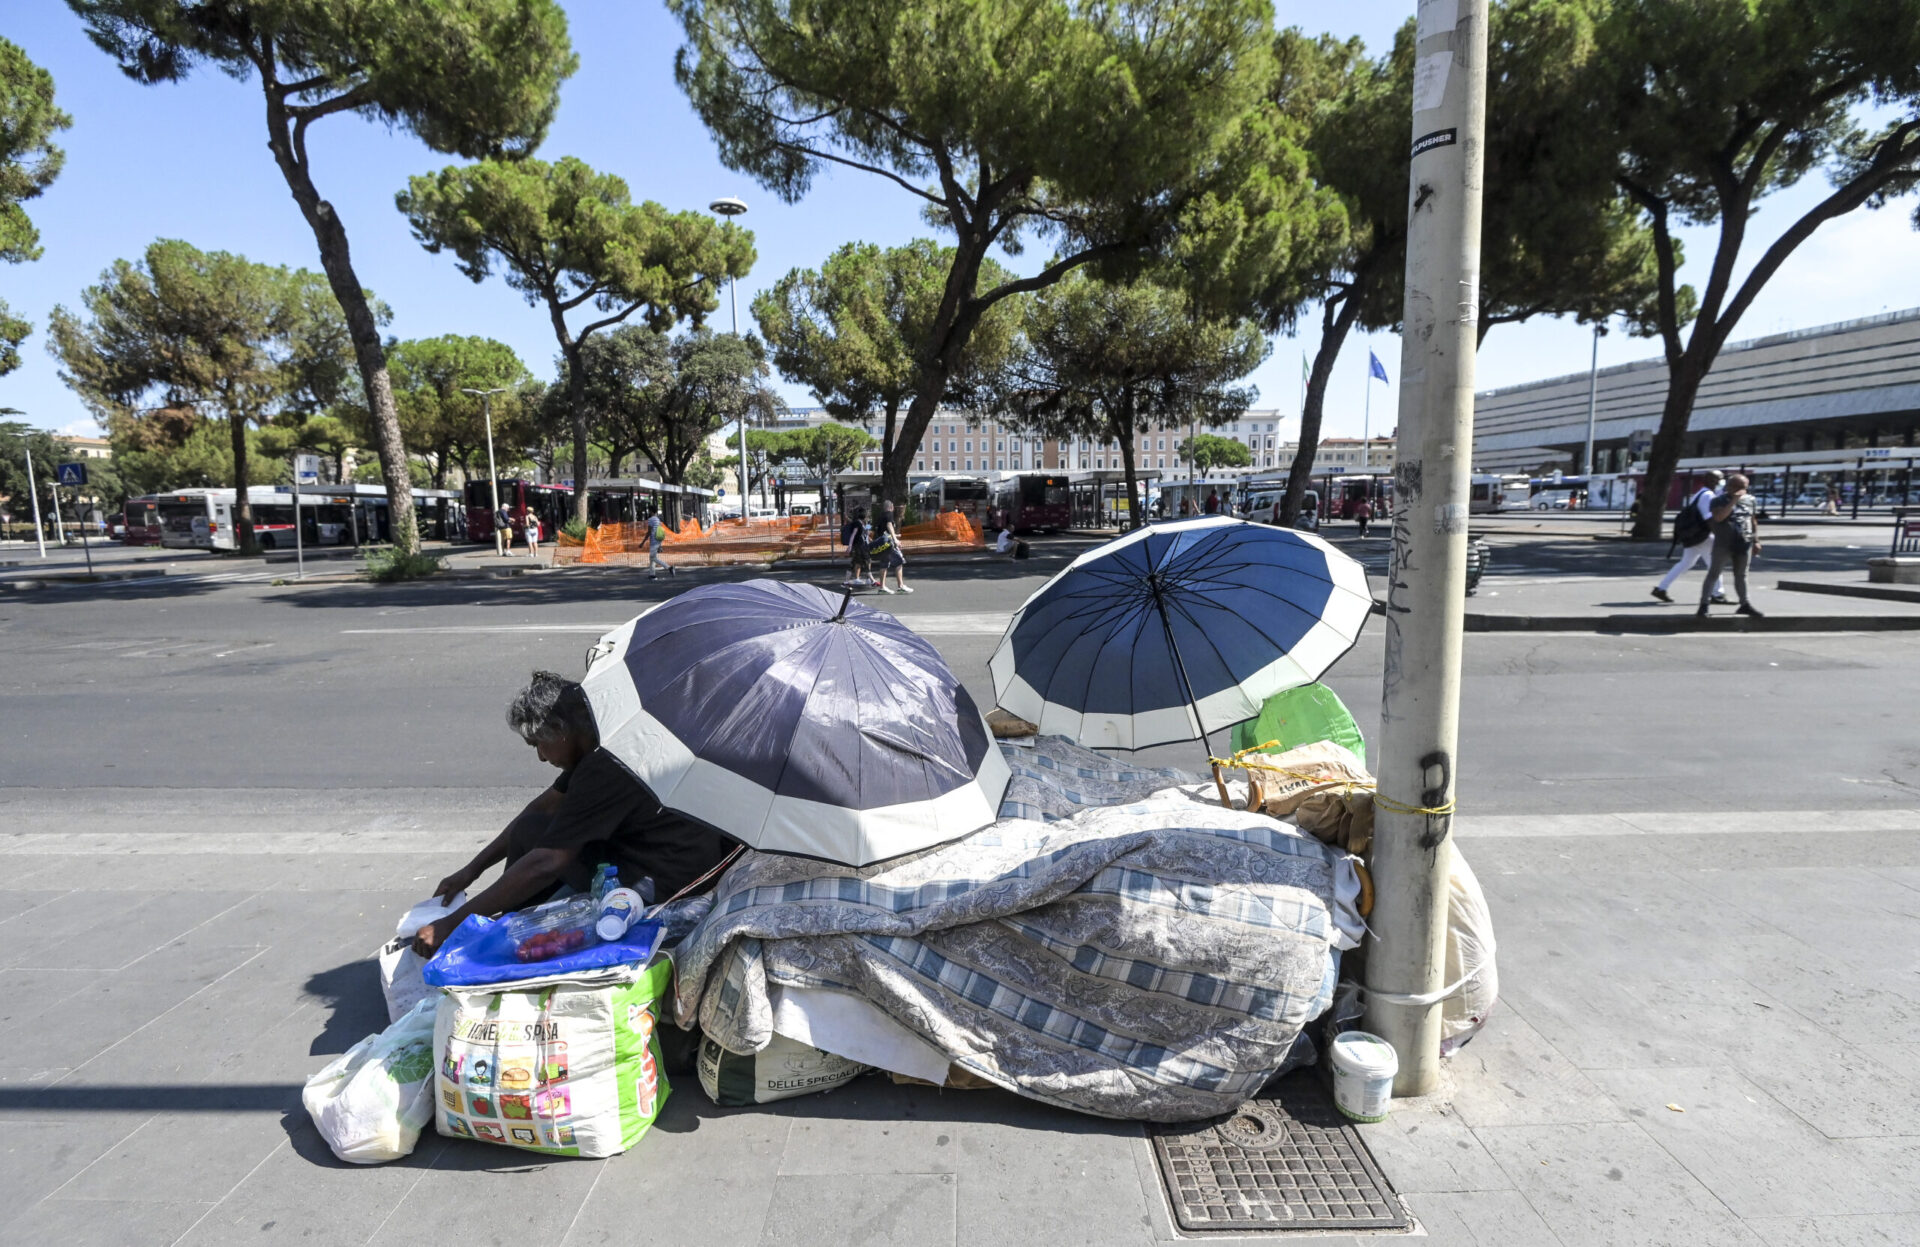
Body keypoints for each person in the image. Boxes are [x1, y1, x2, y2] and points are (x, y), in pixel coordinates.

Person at [410, 672, 738, 957]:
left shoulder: (605, 766)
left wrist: (451, 924)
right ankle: (513, 924)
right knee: (530, 828)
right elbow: (543, 807)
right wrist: (471, 870)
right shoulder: (605, 735)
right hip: (661, 851)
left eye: (538, 744)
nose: (540, 757)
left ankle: (517, 935)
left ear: (561, 730)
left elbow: (547, 861)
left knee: (541, 856)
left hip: (664, 880)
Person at [1653, 470, 1726, 604]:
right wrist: (1720, 535)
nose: (1722, 481)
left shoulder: (1699, 494)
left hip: (1694, 535)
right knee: (1715, 564)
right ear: (1712, 480)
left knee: (1686, 563)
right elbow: (1709, 518)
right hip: (1703, 536)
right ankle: (1718, 594)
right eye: (1720, 479)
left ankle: (1661, 588)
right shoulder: (1708, 496)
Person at [1699, 473, 1764, 618]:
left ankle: (1745, 604)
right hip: (1724, 543)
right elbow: (1719, 517)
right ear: (1729, 487)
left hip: (1743, 542)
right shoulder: (1718, 500)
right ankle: (1704, 605)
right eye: (1738, 487)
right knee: (1714, 574)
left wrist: (1756, 540)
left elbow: (1752, 520)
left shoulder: (1751, 500)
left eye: (1744, 487)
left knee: (1741, 575)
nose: (1742, 490)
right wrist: (1734, 500)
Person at [874, 501, 912, 594]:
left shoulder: (880, 516)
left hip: (881, 544)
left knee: (884, 564)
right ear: (891, 507)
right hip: (888, 544)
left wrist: (895, 535)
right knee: (899, 561)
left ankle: (882, 587)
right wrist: (895, 539)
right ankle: (901, 586)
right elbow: (889, 525)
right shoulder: (889, 514)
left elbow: (882, 531)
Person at [842, 505, 873, 586]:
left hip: (862, 546)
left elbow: (865, 533)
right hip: (859, 546)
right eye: (866, 514)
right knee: (866, 560)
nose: (867, 516)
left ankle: (846, 581)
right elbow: (853, 535)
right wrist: (850, 546)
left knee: (854, 563)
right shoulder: (857, 523)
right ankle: (871, 579)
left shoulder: (862, 523)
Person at [645, 511, 674, 581]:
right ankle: (652, 575)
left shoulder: (650, 520)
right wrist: (660, 545)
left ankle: (669, 567)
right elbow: (660, 532)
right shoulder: (658, 520)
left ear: (651, 511)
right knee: (652, 558)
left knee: (653, 557)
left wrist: (643, 542)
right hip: (658, 541)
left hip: (653, 542)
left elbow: (649, 532)